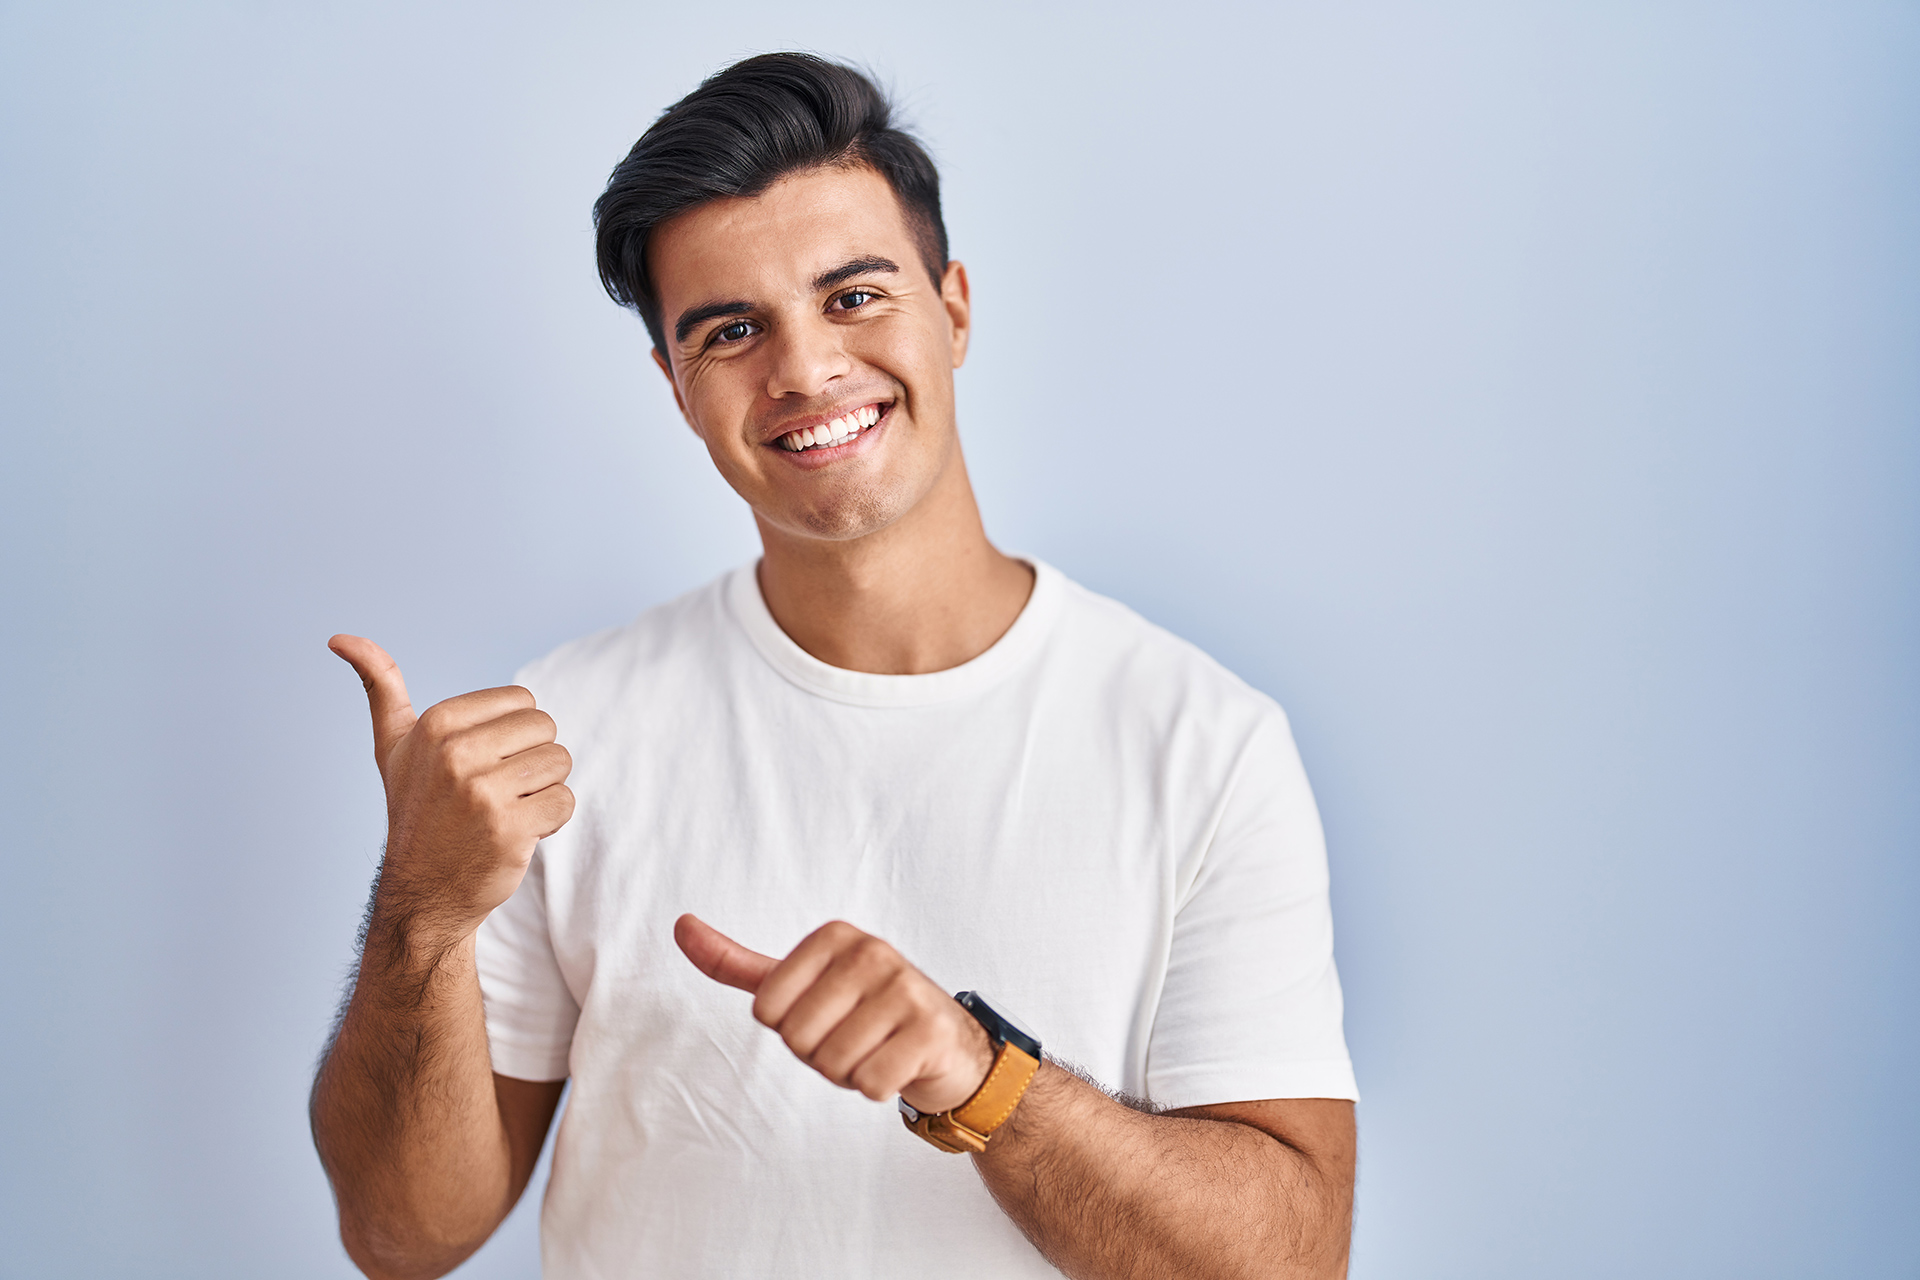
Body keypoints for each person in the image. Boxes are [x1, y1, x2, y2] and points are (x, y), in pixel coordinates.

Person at [310, 52, 1359, 1280]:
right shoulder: (565, 733)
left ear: (954, 308)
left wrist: (981, 1078)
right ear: (677, 388)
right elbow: (401, 1234)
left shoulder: (1203, 743)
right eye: (732, 329)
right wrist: (419, 913)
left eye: (854, 296)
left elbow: (1292, 1263)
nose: (804, 371)